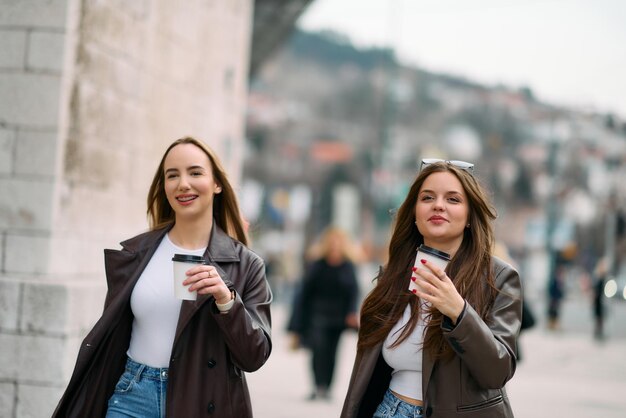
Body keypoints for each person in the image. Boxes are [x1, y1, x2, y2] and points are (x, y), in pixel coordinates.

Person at [52, 136, 272, 418]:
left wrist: (226, 300)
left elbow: (254, 356)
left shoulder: (246, 265)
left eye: (195, 172)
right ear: (164, 187)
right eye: (172, 175)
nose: (183, 183)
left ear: (216, 183)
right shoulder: (136, 254)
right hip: (132, 394)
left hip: (200, 401)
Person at [341, 159, 522, 418]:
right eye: (427, 197)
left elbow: (497, 371)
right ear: (414, 213)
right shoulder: (393, 276)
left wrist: (459, 312)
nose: (438, 205)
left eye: (453, 199)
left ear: (470, 216)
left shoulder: (499, 277)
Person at [288, 226, 360, 401]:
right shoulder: (317, 265)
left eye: (338, 242)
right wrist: (297, 323)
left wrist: (352, 312)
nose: (335, 246)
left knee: (332, 353)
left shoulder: (348, 266)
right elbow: (304, 292)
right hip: (317, 316)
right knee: (318, 350)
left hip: (338, 318)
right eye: (332, 242)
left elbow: (354, 291)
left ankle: (327, 387)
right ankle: (317, 385)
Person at [591, 257, 608, 340]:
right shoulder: (599, 277)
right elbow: (596, 290)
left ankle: (598, 333)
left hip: (600, 301)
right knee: (599, 318)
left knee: (600, 318)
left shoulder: (602, 278)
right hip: (598, 301)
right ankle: (598, 333)